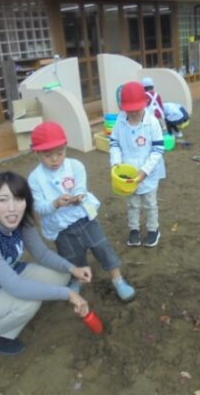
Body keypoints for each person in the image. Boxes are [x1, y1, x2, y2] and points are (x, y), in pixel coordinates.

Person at [0, 171, 91, 356]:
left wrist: (73, 268)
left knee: (62, 275)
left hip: (2, 276)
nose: (12, 208)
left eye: (18, 199)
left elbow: (42, 254)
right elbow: (17, 287)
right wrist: (69, 294)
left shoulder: (23, 221)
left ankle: (9, 309)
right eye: (3, 200)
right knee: (28, 302)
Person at [28, 122, 136, 302]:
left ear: (65, 148)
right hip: (61, 228)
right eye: (48, 155)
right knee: (71, 257)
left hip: (84, 218)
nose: (55, 159)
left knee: (102, 246)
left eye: (60, 153)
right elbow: (38, 207)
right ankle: (76, 279)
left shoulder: (75, 166)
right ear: (37, 153)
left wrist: (77, 197)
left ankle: (118, 280)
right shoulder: (35, 178)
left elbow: (80, 188)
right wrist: (55, 203)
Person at [110, 81, 166, 248]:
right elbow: (114, 144)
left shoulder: (152, 122)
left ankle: (153, 230)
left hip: (147, 171)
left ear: (144, 105)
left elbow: (157, 149)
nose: (133, 113)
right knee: (132, 203)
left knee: (149, 203)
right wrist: (116, 164)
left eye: (137, 109)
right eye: (130, 110)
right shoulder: (120, 122)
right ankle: (134, 229)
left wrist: (145, 170)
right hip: (128, 172)